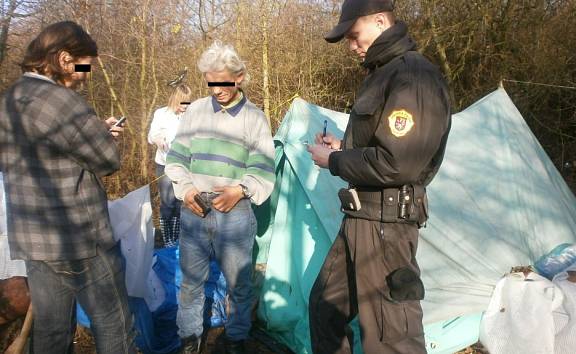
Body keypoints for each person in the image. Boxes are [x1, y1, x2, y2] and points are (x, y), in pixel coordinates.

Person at [306, 1, 452, 353]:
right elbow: (384, 145)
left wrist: (336, 160)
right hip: (360, 217)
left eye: (354, 36)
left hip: (387, 225)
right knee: (325, 308)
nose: (351, 46)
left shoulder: (414, 76)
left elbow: (398, 163)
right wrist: (344, 145)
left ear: (381, 21)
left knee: (391, 338)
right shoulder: (382, 73)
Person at [0, 21, 135, 353]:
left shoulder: (11, 98)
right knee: (114, 324)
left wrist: (91, 131)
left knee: (51, 333)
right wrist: (105, 137)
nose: (86, 74)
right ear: (63, 59)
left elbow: (50, 150)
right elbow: (106, 160)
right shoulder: (62, 101)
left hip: (34, 241)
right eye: (84, 64)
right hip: (81, 239)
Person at [165, 41, 275, 354]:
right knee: (190, 282)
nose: (217, 88)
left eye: (223, 81)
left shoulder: (255, 118)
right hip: (195, 209)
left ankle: (236, 338)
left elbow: (264, 167)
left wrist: (241, 189)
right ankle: (190, 339)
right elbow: (176, 158)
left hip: (236, 214)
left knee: (239, 284)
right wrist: (185, 190)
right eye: (211, 81)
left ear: (239, 77)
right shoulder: (196, 111)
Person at [148, 84, 192, 247]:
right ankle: (168, 241)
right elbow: (151, 135)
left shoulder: (190, 116)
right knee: (168, 202)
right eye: (182, 103)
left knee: (182, 201)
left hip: (185, 166)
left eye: (188, 103)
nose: (185, 107)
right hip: (165, 165)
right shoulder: (161, 114)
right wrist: (158, 139)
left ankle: (179, 238)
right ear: (175, 100)